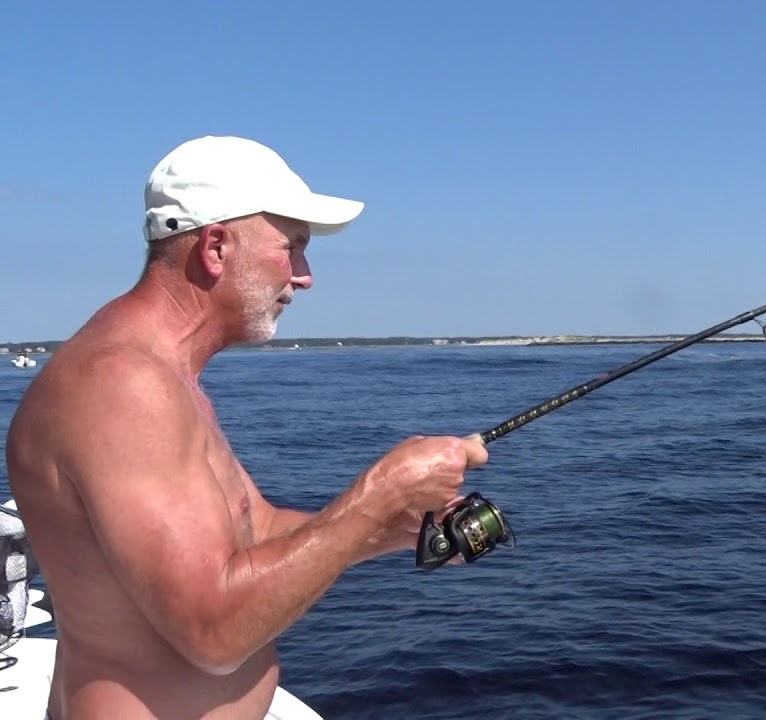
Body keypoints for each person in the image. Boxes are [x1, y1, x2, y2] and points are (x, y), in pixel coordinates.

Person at [4, 136, 489, 719]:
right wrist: (376, 495)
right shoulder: (121, 384)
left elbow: (253, 529)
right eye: (292, 248)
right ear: (215, 246)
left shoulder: (162, 376)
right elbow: (212, 632)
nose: (305, 277)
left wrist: (397, 527)